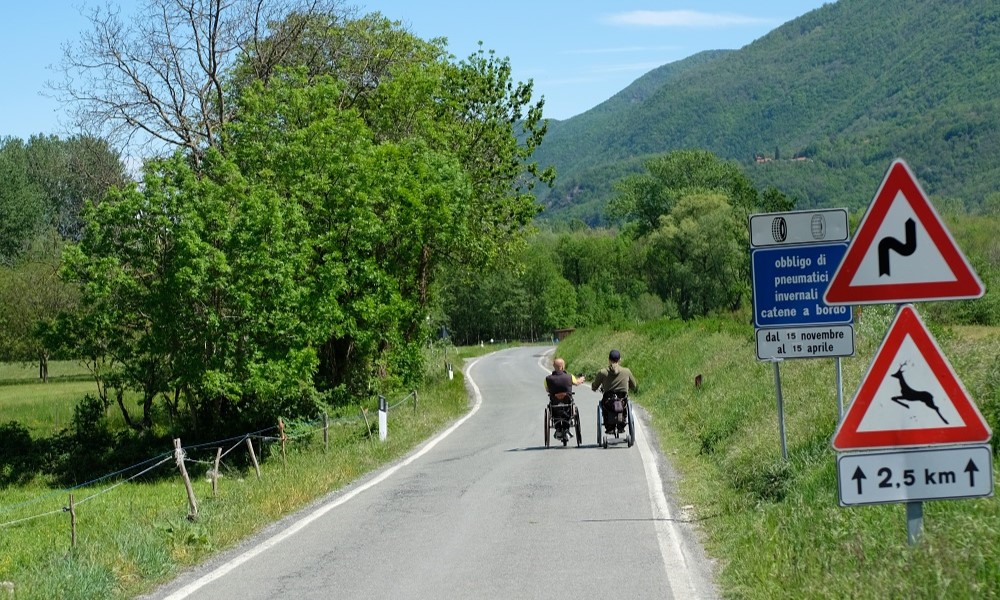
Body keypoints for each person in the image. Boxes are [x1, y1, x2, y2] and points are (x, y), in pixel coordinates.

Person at [591, 349, 638, 434]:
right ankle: (621, 425)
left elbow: (594, 387)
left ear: (609, 360)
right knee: (625, 403)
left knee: (603, 404)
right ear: (620, 360)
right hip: (622, 401)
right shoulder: (626, 371)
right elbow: (634, 385)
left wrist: (594, 387)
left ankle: (609, 427)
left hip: (608, 402)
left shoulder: (602, 372)